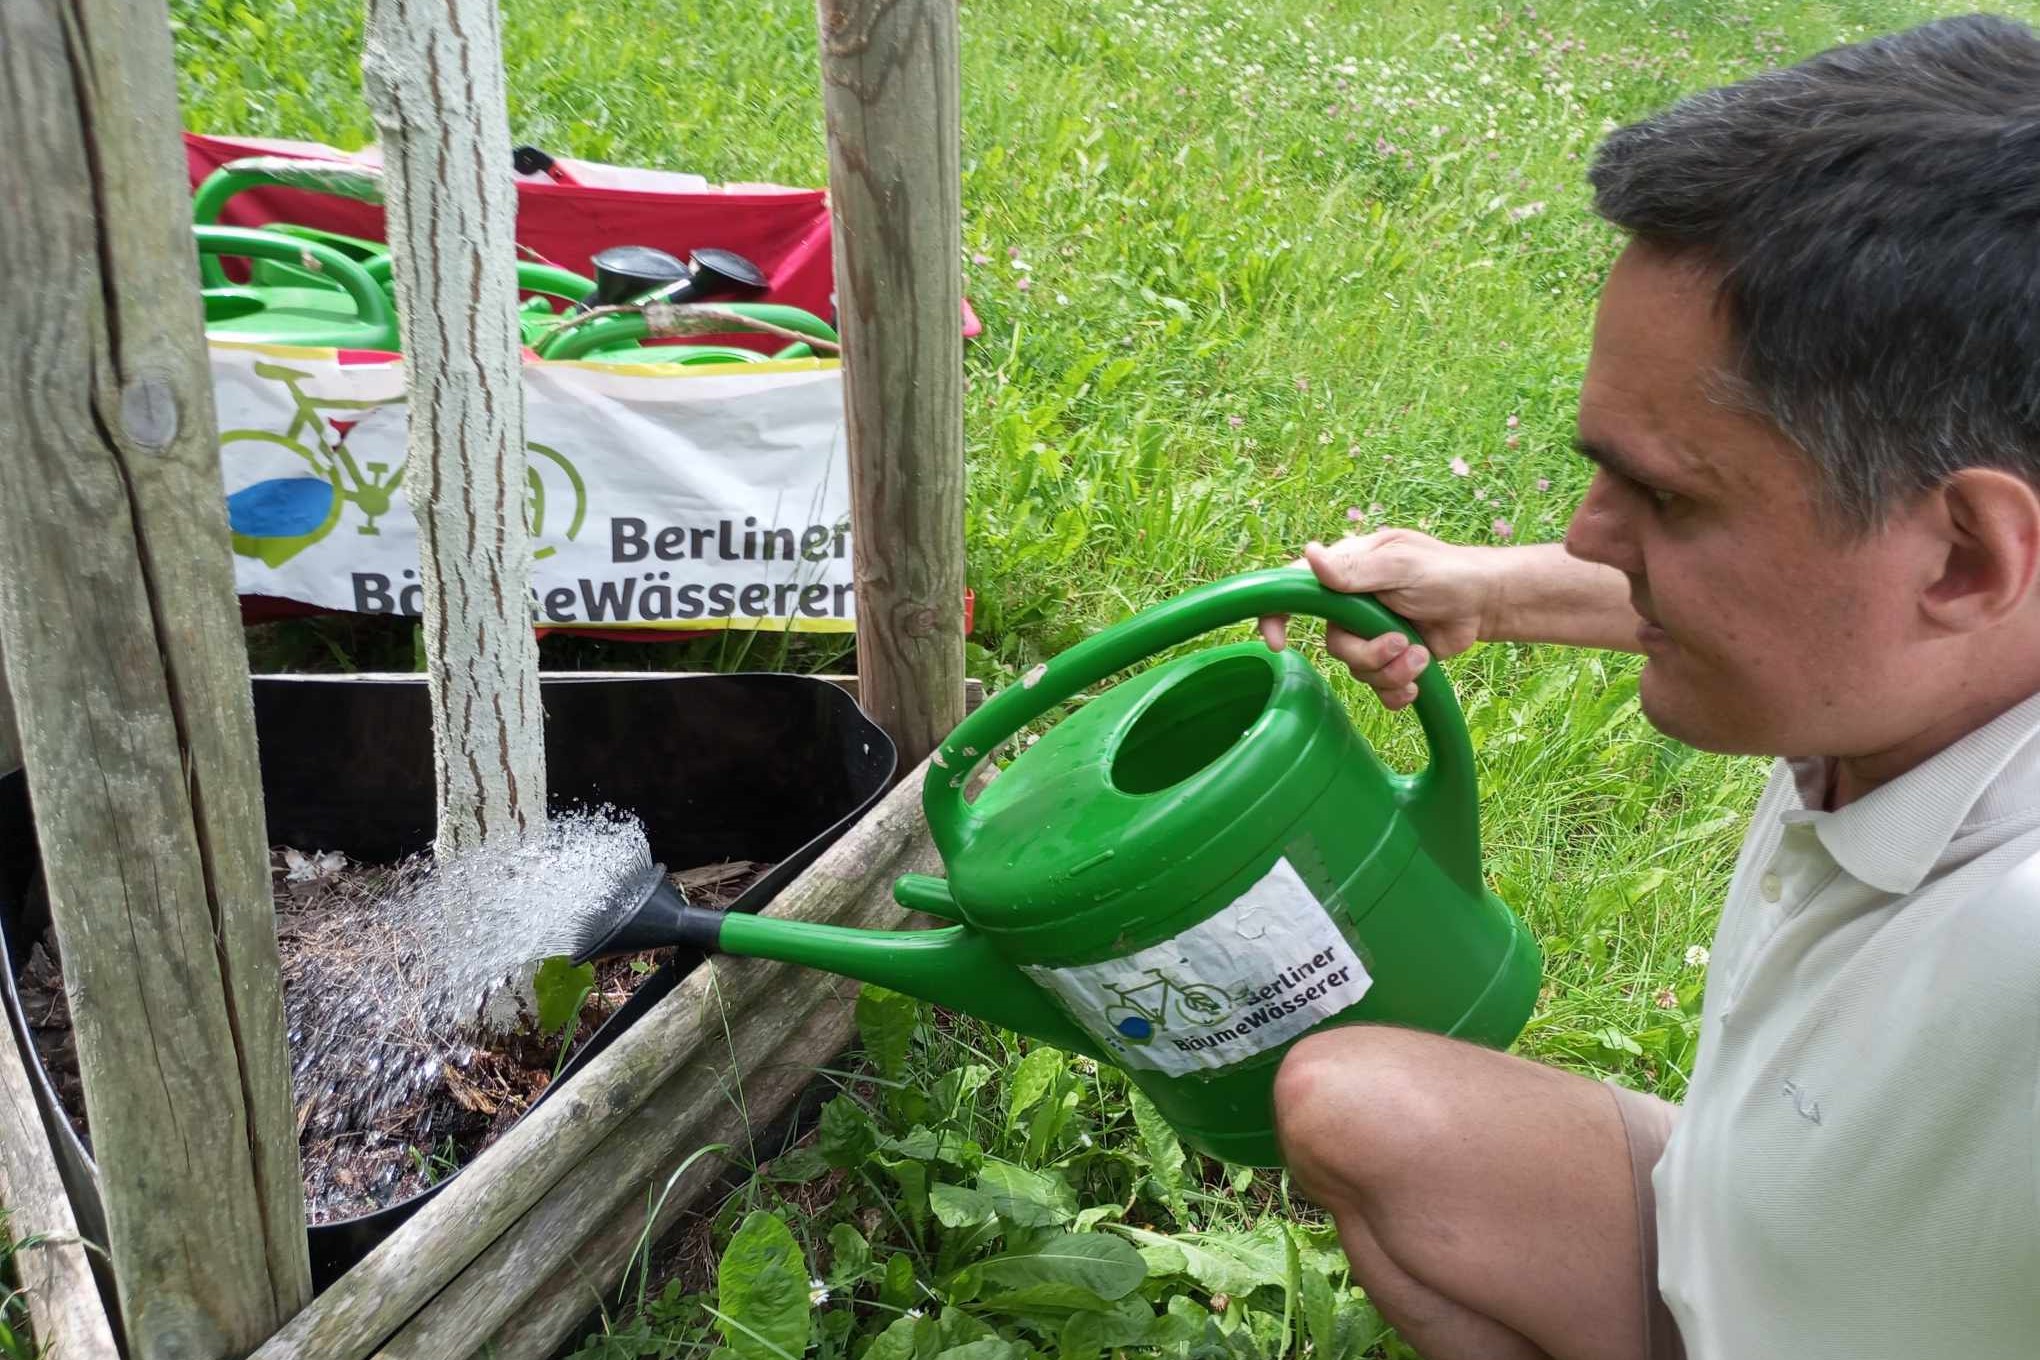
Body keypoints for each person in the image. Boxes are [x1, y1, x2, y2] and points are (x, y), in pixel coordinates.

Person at [1257, 14, 2040, 1360]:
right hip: (1752, 1247)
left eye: (1669, 498)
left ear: (1964, 557)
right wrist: (1485, 590)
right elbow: (1725, 598)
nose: (1587, 539)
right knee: (1359, 1109)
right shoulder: (1920, 650)